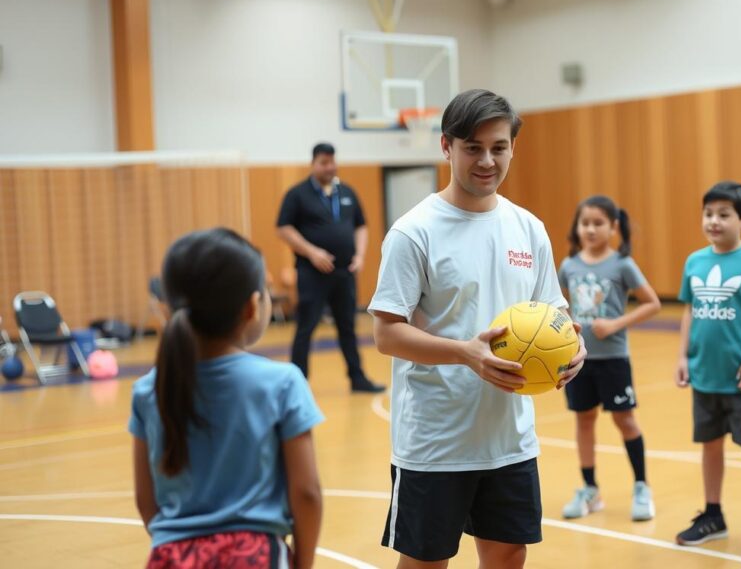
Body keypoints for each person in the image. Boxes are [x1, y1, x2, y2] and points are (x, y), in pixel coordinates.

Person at [369, 89, 587, 568]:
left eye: (499, 147)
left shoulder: (528, 228)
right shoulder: (414, 232)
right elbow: (386, 335)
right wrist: (466, 353)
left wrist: (574, 345)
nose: (487, 160)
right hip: (436, 441)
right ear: (446, 146)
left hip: (509, 436)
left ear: (512, 147)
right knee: (427, 562)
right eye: (473, 148)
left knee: (508, 555)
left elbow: (553, 309)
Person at [129, 228, 324, 569]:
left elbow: (146, 502)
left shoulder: (148, 390)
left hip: (170, 556)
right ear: (252, 307)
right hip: (255, 555)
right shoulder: (282, 382)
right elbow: (306, 493)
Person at [674, 181, 741, 557]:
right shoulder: (694, 261)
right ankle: (713, 514)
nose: (714, 221)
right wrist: (683, 356)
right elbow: (689, 308)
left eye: (724, 214)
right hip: (705, 375)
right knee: (710, 445)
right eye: (708, 214)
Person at [557, 195, 661, 521]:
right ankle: (590, 488)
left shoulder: (622, 264)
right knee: (583, 420)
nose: (590, 229)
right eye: (585, 222)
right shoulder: (568, 265)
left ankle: (642, 486)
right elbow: (559, 304)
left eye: (598, 223)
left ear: (613, 227)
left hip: (614, 358)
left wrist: (616, 323)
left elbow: (652, 303)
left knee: (624, 420)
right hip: (578, 359)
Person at [277, 142, 385, 392]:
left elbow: (361, 225)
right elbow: (284, 228)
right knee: (306, 326)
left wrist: (359, 255)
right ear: (313, 164)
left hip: (344, 273)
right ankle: (297, 382)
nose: (329, 167)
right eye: (324, 163)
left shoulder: (346, 191)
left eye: (332, 162)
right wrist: (312, 252)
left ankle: (358, 378)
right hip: (312, 272)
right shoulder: (297, 194)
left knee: (347, 326)